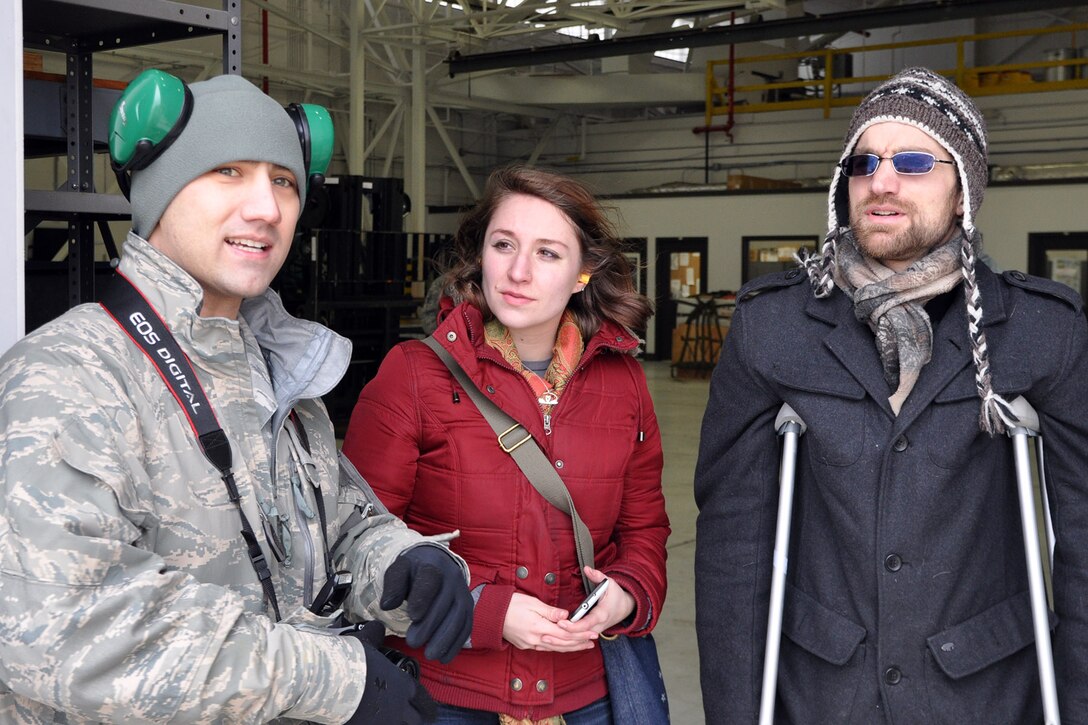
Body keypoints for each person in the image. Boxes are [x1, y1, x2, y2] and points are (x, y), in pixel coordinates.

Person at [0, 71, 475, 724]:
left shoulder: (274, 367)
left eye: (283, 180)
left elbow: (330, 524)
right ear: (158, 193)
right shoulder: (69, 376)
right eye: (228, 171)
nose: (268, 208)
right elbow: (63, 631)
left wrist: (398, 562)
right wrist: (331, 680)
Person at [694, 66, 1088, 723]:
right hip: (819, 694)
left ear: (963, 191)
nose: (881, 181)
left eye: (912, 161)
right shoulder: (774, 326)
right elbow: (734, 553)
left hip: (989, 694)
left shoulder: (1042, 331)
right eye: (863, 162)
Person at [341, 165, 670, 724]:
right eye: (504, 245)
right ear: (481, 256)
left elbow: (644, 531)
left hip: (589, 694)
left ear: (583, 273)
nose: (518, 271)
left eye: (547, 253)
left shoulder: (624, 384)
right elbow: (354, 544)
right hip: (447, 694)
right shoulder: (414, 376)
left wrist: (629, 593)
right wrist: (485, 612)